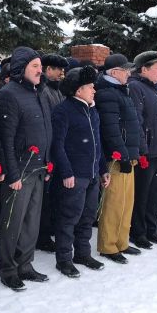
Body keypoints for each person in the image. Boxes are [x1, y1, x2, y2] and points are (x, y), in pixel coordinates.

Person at [0, 46, 53, 291]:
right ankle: (8, 269)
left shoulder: (40, 92)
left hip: (39, 167)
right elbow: (5, 137)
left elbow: (47, 130)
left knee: (31, 221)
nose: (40, 71)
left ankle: (25, 264)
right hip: (19, 170)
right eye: (35, 66)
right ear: (21, 68)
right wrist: (12, 172)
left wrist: (49, 161)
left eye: (40, 67)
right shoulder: (9, 94)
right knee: (12, 222)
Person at [50, 66, 109, 277]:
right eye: (90, 87)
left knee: (87, 216)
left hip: (92, 173)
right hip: (74, 175)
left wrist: (102, 169)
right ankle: (64, 259)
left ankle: (82, 253)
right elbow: (57, 146)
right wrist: (66, 173)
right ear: (78, 90)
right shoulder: (63, 110)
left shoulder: (92, 109)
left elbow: (97, 143)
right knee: (69, 218)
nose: (94, 90)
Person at [94, 54, 142, 264]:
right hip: (116, 158)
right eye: (125, 70)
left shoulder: (121, 91)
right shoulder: (107, 93)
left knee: (126, 202)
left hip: (127, 154)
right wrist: (121, 155)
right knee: (113, 203)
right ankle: (108, 245)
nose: (129, 74)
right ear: (114, 73)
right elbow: (111, 129)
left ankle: (121, 241)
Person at [128, 51, 157, 247]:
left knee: (155, 194)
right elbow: (136, 120)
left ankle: (151, 229)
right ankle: (138, 233)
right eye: (156, 69)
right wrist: (142, 149)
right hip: (148, 151)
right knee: (142, 194)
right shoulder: (136, 87)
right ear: (143, 69)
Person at [36, 53, 70, 253]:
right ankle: (42, 235)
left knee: (53, 196)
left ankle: (49, 230)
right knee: (45, 199)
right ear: (48, 70)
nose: (61, 74)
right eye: (58, 70)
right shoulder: (44, 91)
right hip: (48, 150)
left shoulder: (57, 90)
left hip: (57, 149)